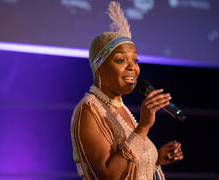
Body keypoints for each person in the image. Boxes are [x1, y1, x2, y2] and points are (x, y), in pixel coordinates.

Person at [71, 1, 183, 179]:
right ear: (99, 67)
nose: (132, 68)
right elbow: (108, 175)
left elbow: (129, 161)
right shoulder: (89, 109)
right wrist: (144, 127)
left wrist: (157, 158)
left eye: (135, 61)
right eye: (120, 60)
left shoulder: (119, 108)